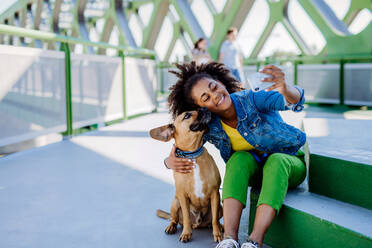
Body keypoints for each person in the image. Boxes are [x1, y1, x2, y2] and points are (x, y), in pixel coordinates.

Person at [164, 61, 306, 248]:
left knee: (276, 160)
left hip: (289, 164)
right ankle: (229, 239)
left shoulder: (252, 100)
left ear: (220, 82)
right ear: (201, 108)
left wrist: (285, 88)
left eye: (214, 87)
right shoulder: (210, 125)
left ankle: (255, 241)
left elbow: (294, 102)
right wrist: (169, 161)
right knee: (237, 159)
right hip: (257, 174)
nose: (215, 96)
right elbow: (185, 142)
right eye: (205, 98)